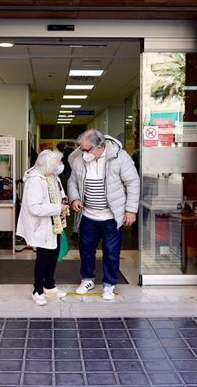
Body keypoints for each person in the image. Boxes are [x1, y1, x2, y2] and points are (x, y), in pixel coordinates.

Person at [67, 129, 140, 301]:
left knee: (111, 252)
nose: (83, 153)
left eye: (87, 150)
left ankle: (109, 284)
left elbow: (133, 183)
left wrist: (131, 210)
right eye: (81, 149)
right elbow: (72, 181)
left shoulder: (119, 157)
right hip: (88, 215)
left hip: (111, 217)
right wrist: (74, 198)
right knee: (86, 251)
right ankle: (87, 279)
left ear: (100, 146)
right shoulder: (80, 159)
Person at [16, 149, 70, 306]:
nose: (60, 165)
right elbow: (35, 208)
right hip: (42, 226)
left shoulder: (52, 177)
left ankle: (49, 285)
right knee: (43, 259)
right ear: (47, 164)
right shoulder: (35, 180)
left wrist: (64, 202)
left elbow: (60, 194)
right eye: (57, 162)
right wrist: (58, 208)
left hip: (55, 224)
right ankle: (37, 290)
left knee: (53, 256)